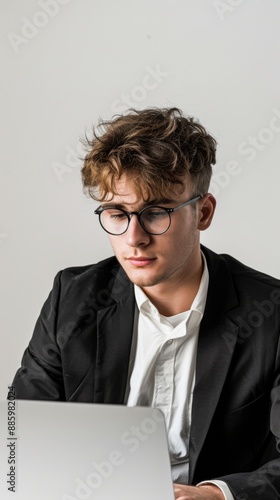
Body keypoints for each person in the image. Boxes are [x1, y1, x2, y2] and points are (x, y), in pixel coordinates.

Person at [12, 108, 280, 499]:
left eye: (155, 213)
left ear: (203, 212)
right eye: (118, 213)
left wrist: (216, 495)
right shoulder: (72, 298)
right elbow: (22, 437)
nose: (134, 237)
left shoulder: (270, 311)